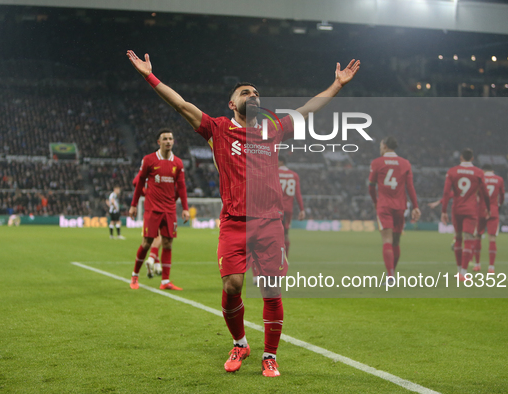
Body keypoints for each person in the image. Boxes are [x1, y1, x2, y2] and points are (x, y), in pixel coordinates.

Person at [127, 49, 359, 377]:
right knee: (233, 285)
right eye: (245, 93)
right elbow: (180, 105)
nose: (252, 96)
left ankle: (270, 355)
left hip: (269, 224)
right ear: (232, 104)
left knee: (270, 289)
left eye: (256, 93)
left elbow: (309, 109)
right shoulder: (218, 129)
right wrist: (149, 76)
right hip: (234, 223)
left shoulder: (274, 128)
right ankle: (240, 342)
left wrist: (337, 85)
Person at [128, 129, 190, 290]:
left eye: (171, 138)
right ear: (159, 142)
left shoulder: (178, 163)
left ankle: (165, 282)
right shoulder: (149, 160)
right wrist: (134, 205)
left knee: (168, 243)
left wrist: (185, 208)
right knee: (147, 242)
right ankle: (135, 276)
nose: (168, 141)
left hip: (169, 209)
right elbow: (139, 182)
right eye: (165, 139)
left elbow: (182, 187)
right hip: (152, 208)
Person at [368, 137, 421, 283]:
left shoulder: (377, 162)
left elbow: (371, 186)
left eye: (380, 145)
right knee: (396, 242)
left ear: (384, 146)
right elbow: (410, 187)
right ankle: (392, 274)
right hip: (400, 207)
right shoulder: (405, 163)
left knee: (387, 240)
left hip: (384, 205)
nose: (380, 148)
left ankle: (390, 276)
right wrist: (415, 206)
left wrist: (375, 202)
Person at [441, 149, 491, 280]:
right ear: (472, 159)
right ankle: (463, 273)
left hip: (456, 208)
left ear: (461, 158)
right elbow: (485, 192)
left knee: (458, 238)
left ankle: (458, 270)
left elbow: (446, 193)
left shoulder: (452, 171)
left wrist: (443, 211)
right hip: (471, 210)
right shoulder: (479, 173)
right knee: (469, 238)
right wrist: (488, 208)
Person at [473, 164, 505, 273]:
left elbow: (475, 194)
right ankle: (491, 267)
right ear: (492, 170)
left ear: (483, 171)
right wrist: (498, 206)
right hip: (493, 211)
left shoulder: (480, 179)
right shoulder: (499, 179)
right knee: (492, 238)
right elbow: (502, 195)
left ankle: (477, 265)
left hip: (481, 210)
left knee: (477, 236)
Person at [131, 172, 163, 278]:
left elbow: (135, 182)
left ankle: (156, 265)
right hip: (159, 208)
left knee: (151, 240)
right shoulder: (157, 172)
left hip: (150, 210)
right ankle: (151, 259)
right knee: (158, 238)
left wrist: (144, 191)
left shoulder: (148, 174)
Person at [278, 156, 305, 256]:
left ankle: (275, 258)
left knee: (272, 233)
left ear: (281, 162)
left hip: (276, 208)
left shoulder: (274, 173)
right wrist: (302, 209)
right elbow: (297, 193)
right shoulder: (294, 175)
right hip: (288, 209)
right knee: (285, 234)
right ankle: (285, 259)